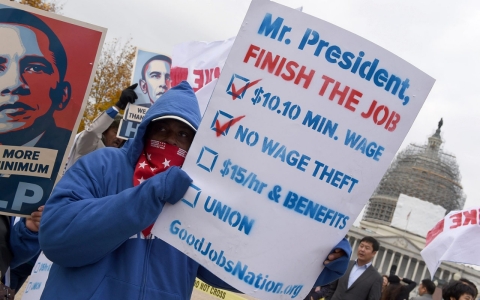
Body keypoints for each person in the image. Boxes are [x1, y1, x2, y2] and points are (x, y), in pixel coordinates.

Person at [38, 81, 351, 299]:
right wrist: (147, 195)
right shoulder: (104, 165)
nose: (172, 141)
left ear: (195, 143)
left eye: (183, 135)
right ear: (146, 130)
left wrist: (316, 256)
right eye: (162, 129)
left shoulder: (197, 194)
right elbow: (57, 237)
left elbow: (238, 265)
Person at [0, 8, 71, 214]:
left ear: (63, 94)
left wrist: (31, 231)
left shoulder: (70, 167)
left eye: (35, 68)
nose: (14, 83)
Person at [64, 84, 138, 171]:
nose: (119, 139)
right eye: (116, 132)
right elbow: (93, 132)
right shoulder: (87, 147)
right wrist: (119, 105)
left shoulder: (117, 159)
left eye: (122, 135)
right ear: (105, 130)